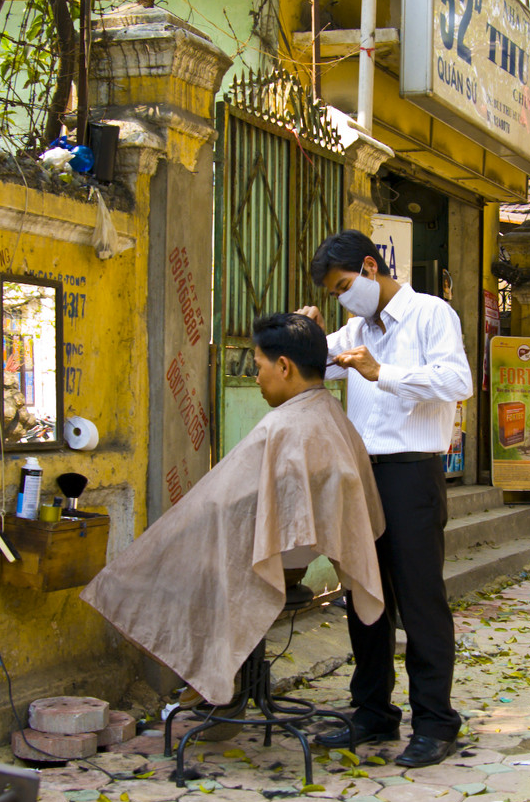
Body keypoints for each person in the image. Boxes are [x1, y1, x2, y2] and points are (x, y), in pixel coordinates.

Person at [81, 314, 386, 706]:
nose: (256, 378)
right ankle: (218, 679)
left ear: (284, 366)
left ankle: (209, 677)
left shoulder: (284, 427)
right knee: (193, 543)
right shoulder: (331, 415)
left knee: (162, 559)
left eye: (258, 367)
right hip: (298, 553)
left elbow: (228, 500)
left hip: (279, 560)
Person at [298, 229, 473, 768]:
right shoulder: (353, 327)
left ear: (371, 268)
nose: (342, 298)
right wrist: (307, 334)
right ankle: (373, 710)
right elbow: (307, 369)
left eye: (344, 285)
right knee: (364, 598)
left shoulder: (431, 314)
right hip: (361, 476)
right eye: (333, 293)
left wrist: (383, 373)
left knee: (419, 600)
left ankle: (435, 722)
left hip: (410, 476)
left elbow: (457, 380)